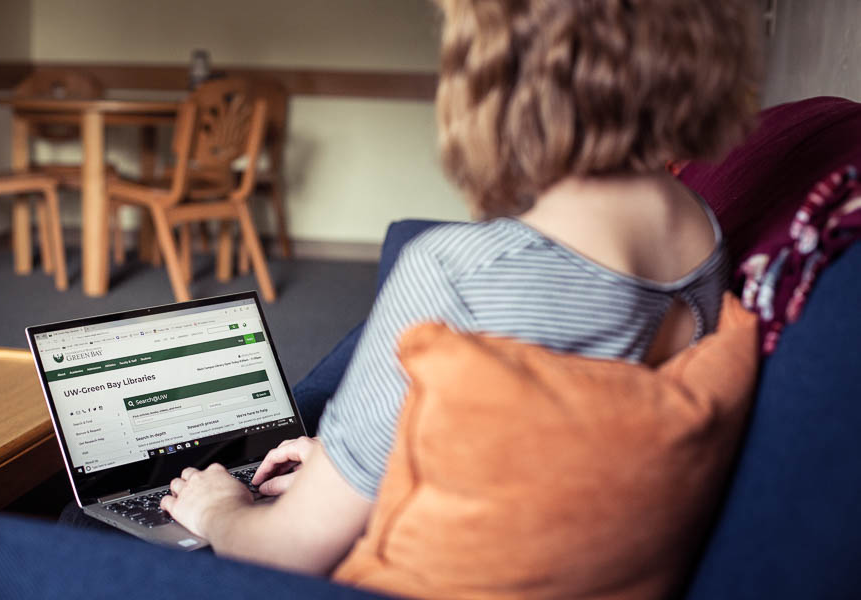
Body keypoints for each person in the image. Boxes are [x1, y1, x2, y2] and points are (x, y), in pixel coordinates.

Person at [160, 0, 759, 575]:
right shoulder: (695, 227)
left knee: (95, 532)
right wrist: (353, 467)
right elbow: (551, 434)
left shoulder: (458, 273)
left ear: (495, 69)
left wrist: (220, 509)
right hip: (565, 525)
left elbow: (286, 552)